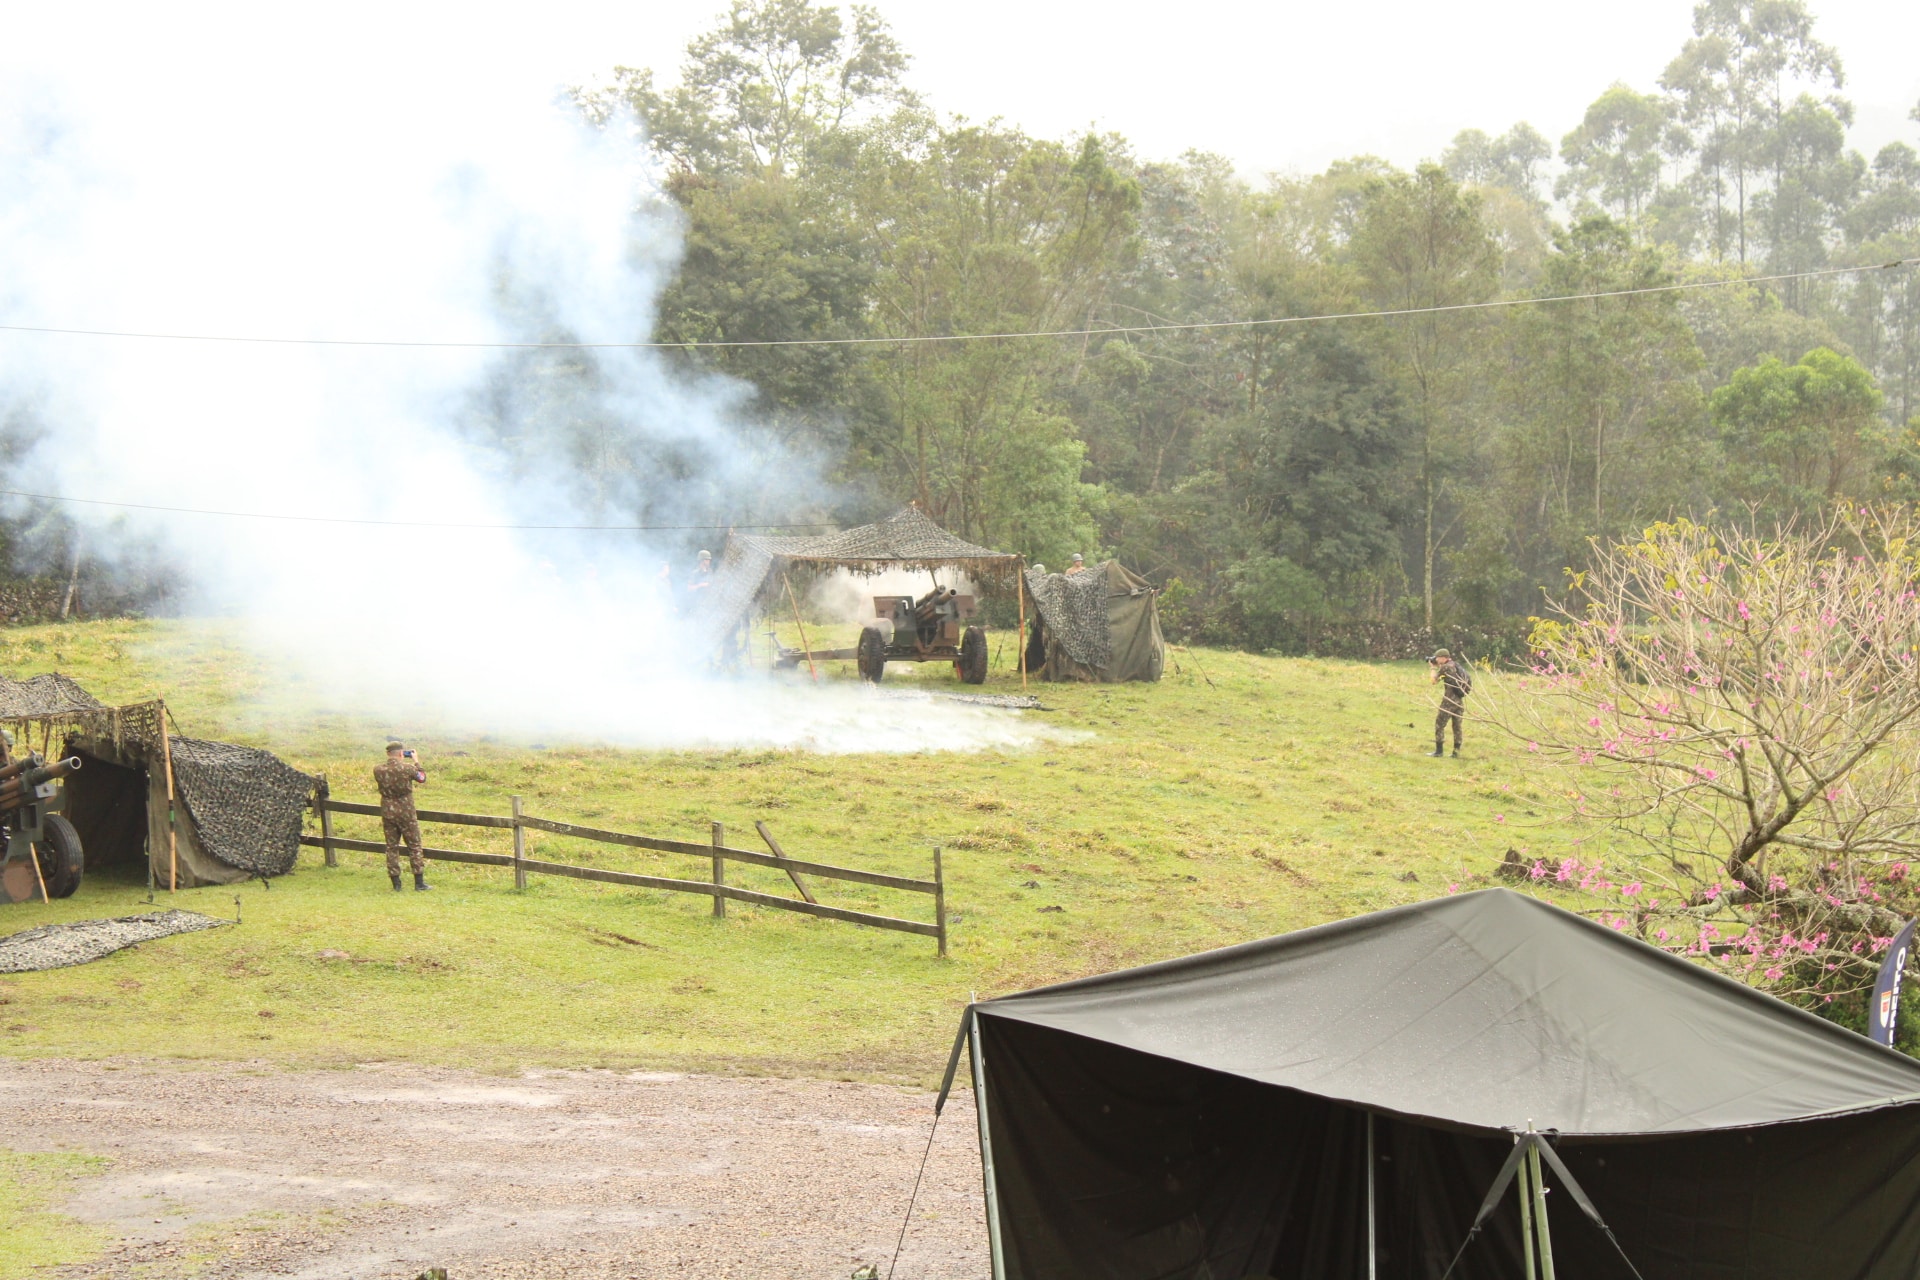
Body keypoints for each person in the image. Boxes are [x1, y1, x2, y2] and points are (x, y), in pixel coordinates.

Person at [373, 741, 429, 891]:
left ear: (387, 754)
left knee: (391, 847)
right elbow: (422, 778)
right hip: (406, 812)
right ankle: (419, 882)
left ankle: (396, 883)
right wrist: (416, 762)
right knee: (414, 845)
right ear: (401, 754)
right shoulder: (407, 768)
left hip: (387, 812)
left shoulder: (378, 770)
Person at [1428, 649, 1472, 757]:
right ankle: (1456, 752)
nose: (1436, 659)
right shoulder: (1455, 665)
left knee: (1439, 724)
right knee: (1457, 726)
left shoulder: (1445, 667)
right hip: (1459, 701)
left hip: (1449, 701)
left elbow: (1434, 681)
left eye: (1437, 657)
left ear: (1443, 657)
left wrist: (1433, 668)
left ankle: (1439, 751)